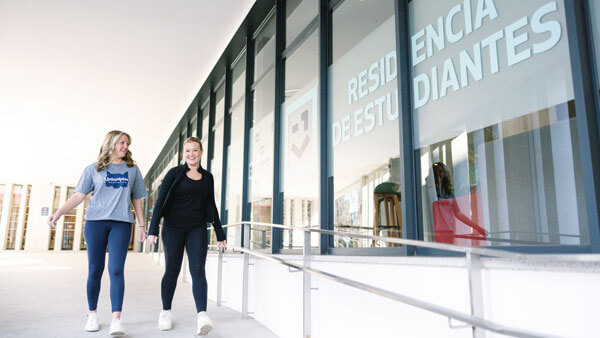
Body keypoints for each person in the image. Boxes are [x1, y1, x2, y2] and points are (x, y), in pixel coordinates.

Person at [47, 130, 147, 336]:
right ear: (110, 143)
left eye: (127, 143)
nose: (125, 146)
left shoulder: (132, 170)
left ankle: (116, 320)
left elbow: (137, 198)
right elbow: (78, 196)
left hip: (121, 224)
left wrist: (142, 225)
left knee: (116, 269)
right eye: (122, 142)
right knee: (95, 270)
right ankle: (92, 314)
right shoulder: (92, 169)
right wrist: (58, 212)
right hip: (95, 223)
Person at [147, 136, 226, 336]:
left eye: (195, 150)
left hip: (197, 228)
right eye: (188, 151)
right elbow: (160, 202)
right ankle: (165, 312)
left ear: (201, 152)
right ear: (184, 154)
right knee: (172, 270)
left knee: (198, 270)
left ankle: (202, 316)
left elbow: (211, 205)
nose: (191, 154)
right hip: (173, 228)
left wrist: (220, 233)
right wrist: (153, 229)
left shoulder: (207, 177)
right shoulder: (175, 174)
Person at [431, 162, 486, 243]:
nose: (439, 174)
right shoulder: (429, 192)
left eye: (441, 171)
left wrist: (478, 228)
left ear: (445, 174)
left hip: (448, 231)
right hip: (434, 231)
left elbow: (458, 213)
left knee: (447, 254)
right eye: (436, 171)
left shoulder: (448, 193)